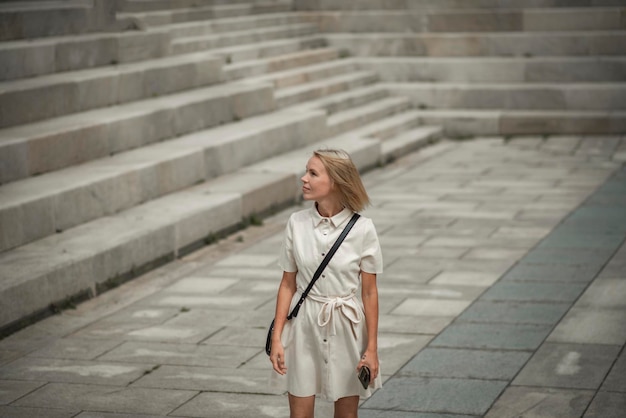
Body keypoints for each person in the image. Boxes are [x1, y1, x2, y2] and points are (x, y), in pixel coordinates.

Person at [269, 149, 383, 418]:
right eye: (306, 171)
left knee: (346, 415)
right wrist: (277, 337)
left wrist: (372, 349)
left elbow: (369, 292)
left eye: (313, 173)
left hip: (347, 327)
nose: (303, 178)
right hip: (303, 327)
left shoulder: (363, 229)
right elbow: (287, 284)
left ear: (336, 181)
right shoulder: (296, 223)